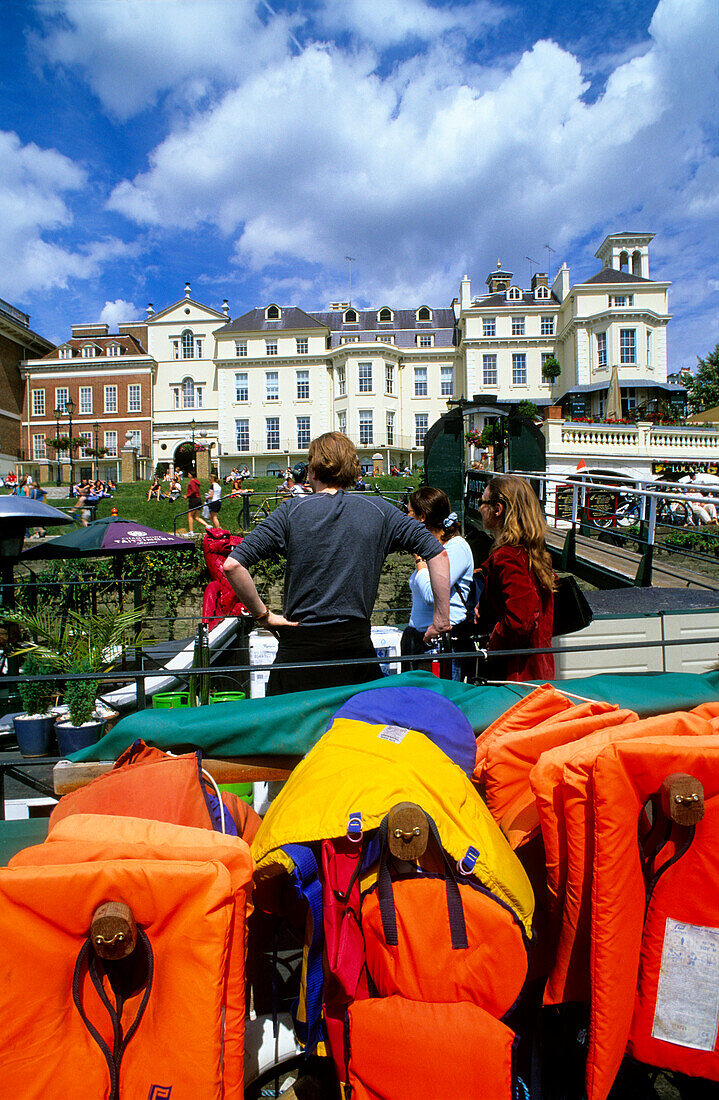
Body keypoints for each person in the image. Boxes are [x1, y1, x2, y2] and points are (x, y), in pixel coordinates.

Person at [223, 431, 451, 695]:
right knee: (356, 729)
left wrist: (264, 616)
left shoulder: (290, 511)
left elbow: (233, 565)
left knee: (293, 730)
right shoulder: (381, 511)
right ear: (354, 470)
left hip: (299, 649)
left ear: (312, 471)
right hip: (354, 648)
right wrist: (441, 618)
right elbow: (438, 554)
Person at [475, 474, 555, 682]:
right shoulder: (534, 553)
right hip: (539, 668)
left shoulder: (507, 557)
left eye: (482, 502)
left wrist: (494, 639)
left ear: (498, 509)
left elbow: (522, 618)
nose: (479, 509)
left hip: (515, 674)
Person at [401, 487, 475, 680]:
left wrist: (419, 560)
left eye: (409, 512)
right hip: (418, 642)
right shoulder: (435, 549)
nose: (405, 518)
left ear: (422, 517)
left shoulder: (456, 548)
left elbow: (430, 594)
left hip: (438, 647)